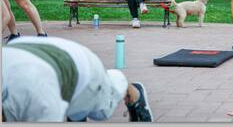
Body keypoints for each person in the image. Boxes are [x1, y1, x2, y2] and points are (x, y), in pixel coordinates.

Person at [2, 36, 153, 122]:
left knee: (100, 112)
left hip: (83, 67)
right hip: (28, 52)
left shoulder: (38, 99)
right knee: (75, 111)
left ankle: (134, 93)